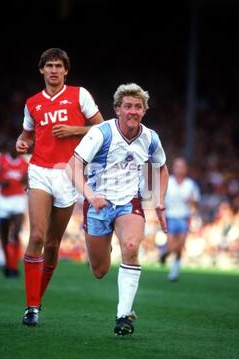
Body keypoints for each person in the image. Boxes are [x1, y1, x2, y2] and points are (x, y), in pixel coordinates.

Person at [66, 83, 169, 336]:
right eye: (127, 106)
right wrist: (90, 194)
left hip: (129, 203)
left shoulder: (151, 137)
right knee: (99, 270)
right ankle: (103, 246)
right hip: (97, 203)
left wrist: (159, 201)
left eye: (138, 106)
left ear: (144, 110)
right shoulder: (101, 133)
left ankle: (123, 317)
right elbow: (72, 167)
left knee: (132, 247)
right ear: (117, 109)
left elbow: (162, 168)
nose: (132, 111)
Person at [16, 47, 103, 326]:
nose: (53, 70)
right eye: (49, 66)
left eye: (58, 66)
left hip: (68, 173)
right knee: (37, 237)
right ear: (41, 70)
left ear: (66, 70)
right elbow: (27, 133)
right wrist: (23, 142)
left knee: (53, 244)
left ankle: (37, 300)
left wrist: (74, 131)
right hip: (40, 170)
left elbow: (104, 128)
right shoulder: (32, 103)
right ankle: (30, 308)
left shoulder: (80, 95)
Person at [0, 144, 28, 278]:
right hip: (3, 200)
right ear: (10, 148)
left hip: (18, 200)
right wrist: (1, 182)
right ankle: (6, 265)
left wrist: (25, 180)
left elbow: (26, 181)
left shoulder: (24, 163)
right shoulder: (0, 160)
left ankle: (14, 266)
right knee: (4, 235)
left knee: (16, 233)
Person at [159, 157, 201, 281]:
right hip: (170, 215)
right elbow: (160, 196)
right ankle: (168, 257)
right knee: (172, 243)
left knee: (180, 244)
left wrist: (191, 201)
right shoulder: (168, 181)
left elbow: (196, 201)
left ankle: (170, 263)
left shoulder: (190, 184)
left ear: (185, 169)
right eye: (177, 166)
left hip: (184, 216)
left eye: (181, 167)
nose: (179, 169)